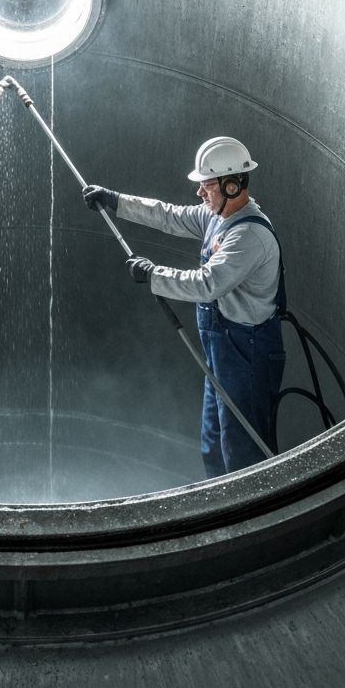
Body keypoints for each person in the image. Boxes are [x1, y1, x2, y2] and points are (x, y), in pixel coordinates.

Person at [82, 136, 285, 478]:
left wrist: (154, 274)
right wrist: (116, 201)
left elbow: (207, 284)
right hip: (223, 351)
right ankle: (221, 508)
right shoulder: (215, 217)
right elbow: (170, 216)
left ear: (232, 185)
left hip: (247, 354)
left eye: (207, 186)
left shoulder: (249, 236)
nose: (200, 193)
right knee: (214, 444)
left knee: (242, 451)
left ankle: (250, 520)